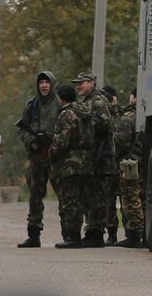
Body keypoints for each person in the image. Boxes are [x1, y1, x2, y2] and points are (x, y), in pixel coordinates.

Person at [15, 71, 58, 248]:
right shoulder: (32, 105)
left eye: (47, 82)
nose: (44, 85)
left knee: (66, 194)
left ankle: (70, 233)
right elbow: (21, 129)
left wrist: (53, 140)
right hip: (37, 155)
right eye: (41, 82)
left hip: (56, 156)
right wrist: (32, 141)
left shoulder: (60, 104)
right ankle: (33, 234)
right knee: (35, 196)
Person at [49, 85, 94, 249]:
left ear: (61, 98)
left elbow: (61, 141)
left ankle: (72, 236)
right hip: (86, 161)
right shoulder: (85, 112)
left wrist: (51, 154)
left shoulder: (66, 114)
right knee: (81, 199)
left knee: (69, 201)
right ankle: (78, 235)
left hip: (69, 163)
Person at [72, 72, 114, 248]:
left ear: (92, 83)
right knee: (90, 195)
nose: (79, 86)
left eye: (82, 83)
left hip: (101, 156)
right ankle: (92, 231)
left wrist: (83, 117)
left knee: (98, 197)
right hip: (93, 156)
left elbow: (104, 124)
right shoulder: (89, 100)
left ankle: (96, 233)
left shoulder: (97, 100)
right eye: (78, 83)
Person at [113, 88, 144, 248]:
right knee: (144, 199)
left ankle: (134, 235)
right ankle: (144, 234)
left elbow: (120, 142)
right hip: (145, 163)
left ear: (134, 97)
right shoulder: (148, 114)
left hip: (130, 165)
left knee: (131, 199)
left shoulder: (129, 117)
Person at [101, 85, 121, 245]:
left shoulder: (120, 116)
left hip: (117, 163)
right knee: (109, 200)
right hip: (110, 163)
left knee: (118, 200)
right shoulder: (108, 115)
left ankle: (120, 233)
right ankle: (112, 233)